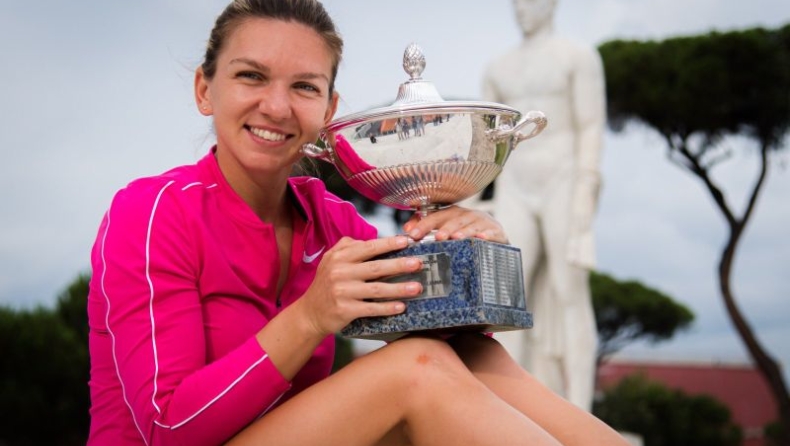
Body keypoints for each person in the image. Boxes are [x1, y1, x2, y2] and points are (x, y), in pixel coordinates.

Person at [86, 1, 628, 445]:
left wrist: (469, 254)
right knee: (415, 370)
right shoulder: (152, 213)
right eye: (251, 76)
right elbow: (168, 429)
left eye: (304, 87)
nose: (276, 106)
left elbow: (457, 343)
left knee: (462, 350)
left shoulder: (332, 221)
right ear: (206, 90)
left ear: (329, 110)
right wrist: (309, 317)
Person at [480, 0, 607, 411]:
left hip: (563, 178)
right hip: (515, 184)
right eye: (515, 1)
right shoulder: (498, 67)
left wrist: (586, 191)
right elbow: (486, 140)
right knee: (508, 295)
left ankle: (581, 410)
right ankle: (508, 409)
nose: (521, 8)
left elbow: (591, 126)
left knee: (570, 291)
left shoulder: (577, 56)